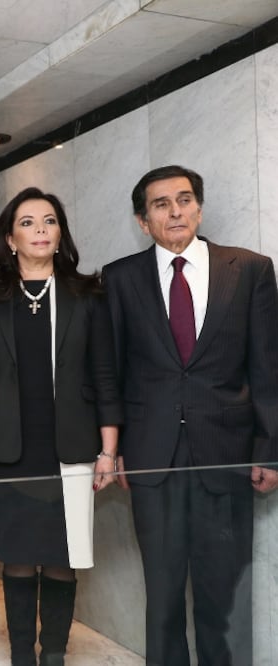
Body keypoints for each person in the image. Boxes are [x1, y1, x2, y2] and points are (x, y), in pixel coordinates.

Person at [103, 165, 278, 665]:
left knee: (223, 597)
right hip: (150, 461)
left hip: (226, 458)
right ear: (143, 220)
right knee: (161, 598)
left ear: (199, 208)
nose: (175, 211)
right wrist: (112, 451)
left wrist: (270, 449)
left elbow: (267, 366)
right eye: (161, 204)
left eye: (184, 200)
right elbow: (110, 372)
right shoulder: (119, 279)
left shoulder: (248, 269)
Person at [0, 187, 122, 666]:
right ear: (9, 238)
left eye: (49, 221)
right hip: (9, 446)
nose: (40, 230)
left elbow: (105, 374)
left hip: (71, 447)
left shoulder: (86, 293)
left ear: (60, 233)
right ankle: (19, 654)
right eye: (27, 222)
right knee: (17, 555)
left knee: (62, 557)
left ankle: (53, 652)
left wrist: (109, 451)